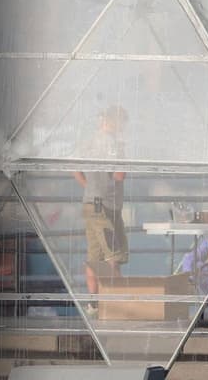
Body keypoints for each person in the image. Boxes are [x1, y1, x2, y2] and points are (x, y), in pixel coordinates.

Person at [72, 106, 130, 306]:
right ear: (114, 120)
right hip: (106, 206)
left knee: (95, 255)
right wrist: (123, 156)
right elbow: (119, 175)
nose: (123, 127)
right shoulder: (113, 143)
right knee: (112, 253)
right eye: (122, 122)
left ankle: (94, 303)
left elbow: (75, 169)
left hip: (92, 203)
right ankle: (123, 302)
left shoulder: (89, 142)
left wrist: (91, 188)